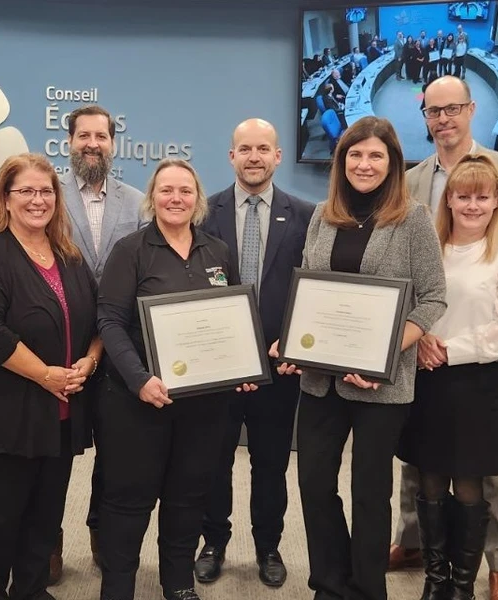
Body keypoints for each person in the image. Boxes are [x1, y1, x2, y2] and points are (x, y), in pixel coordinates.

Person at [270, 116, 447, 600]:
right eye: (355, 154)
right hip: (319, 382)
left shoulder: (413, 219)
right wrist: (293, 341)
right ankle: (329, 585)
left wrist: (382, 353)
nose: (364, 164)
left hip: (381, 387)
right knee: (314, 485)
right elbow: (310, 291)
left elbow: (433, 298)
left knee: (370, 493)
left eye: (375, 155)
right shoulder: (323, 216)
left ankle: (367, 589)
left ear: (392, 163)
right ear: (341, 160)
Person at [390, 76, 498, 600]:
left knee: (497, 465)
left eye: (453, 108)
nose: (444, 119)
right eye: (434, 111)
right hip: (423, 353)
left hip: (487, 360)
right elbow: (407, 275)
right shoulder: (410, 180)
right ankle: (414, 544)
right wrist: (419, 338)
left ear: (472, 109)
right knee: (421, 462)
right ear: (425, 117)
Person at [95, 158, 251, 600]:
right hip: (137, 402)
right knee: (128, 501)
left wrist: (241, 365)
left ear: (198, 199)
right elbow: (109, 322)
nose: (176, 198)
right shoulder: (131, 250)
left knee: (187, 498)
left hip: (202, 407)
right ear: (152, 197)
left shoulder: (218, 252)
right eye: (166, 190)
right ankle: (118, 588)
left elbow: (233, 318)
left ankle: (178, 584)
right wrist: (140, 379)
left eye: (185, 190)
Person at [0, 152, 102, 600]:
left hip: (57, 415)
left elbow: (98, 320)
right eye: (26, 191)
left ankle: (32, 591)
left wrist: (90, 361)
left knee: (44, 517)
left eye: (46, 191)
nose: (38, 200)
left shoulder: (69, 255)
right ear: (6, 198)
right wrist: (45, 375)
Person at [195, 119, 314, 588]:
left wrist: (296, 341)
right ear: (231, 156)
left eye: (263, 148)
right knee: (213, 461)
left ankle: (269, 546)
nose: (254, 157)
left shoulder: (305, 215)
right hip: (218, 368)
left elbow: (312, 288)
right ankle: (213, 542)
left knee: (271, 464)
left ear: (277, 156)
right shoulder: (204, 213)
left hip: (279, 367)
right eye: (244, 148)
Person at [55, 104, 147, 579]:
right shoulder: (47, 195)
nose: (93, 144)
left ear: (114, 143)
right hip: (59, 343)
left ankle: (101, 532)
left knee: (114, 452)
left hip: (116, 346)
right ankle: (47, 540)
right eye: (84, 136)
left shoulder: (137, 203)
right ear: (69, 142)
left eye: (101, 136)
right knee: (54, 451)